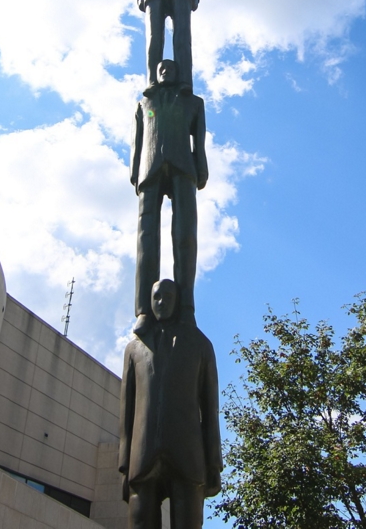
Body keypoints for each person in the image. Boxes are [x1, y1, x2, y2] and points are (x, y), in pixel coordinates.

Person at [119, 279, 221, 529]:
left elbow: (210, 411)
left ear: (179, 301)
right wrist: (124, 465)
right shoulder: (134, 349)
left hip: (187, 457)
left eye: (168, 297)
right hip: (142, 460)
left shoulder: (200, 345)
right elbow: (127, 413)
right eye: (157, 297)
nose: (162, 302)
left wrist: (213, 463)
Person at [130, 60, 207, 331]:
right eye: (160, 69)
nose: (164, 72)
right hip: (149, 169)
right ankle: (143, 310)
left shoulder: (193, 103)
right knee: (145, 238)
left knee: (185, 236)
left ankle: (186, 307)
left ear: (178, 74)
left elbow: (199, 139)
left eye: (170, 69)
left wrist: (201, 167)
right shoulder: (143, 104)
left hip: (183, 167)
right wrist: (134, 170)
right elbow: (137, 138)